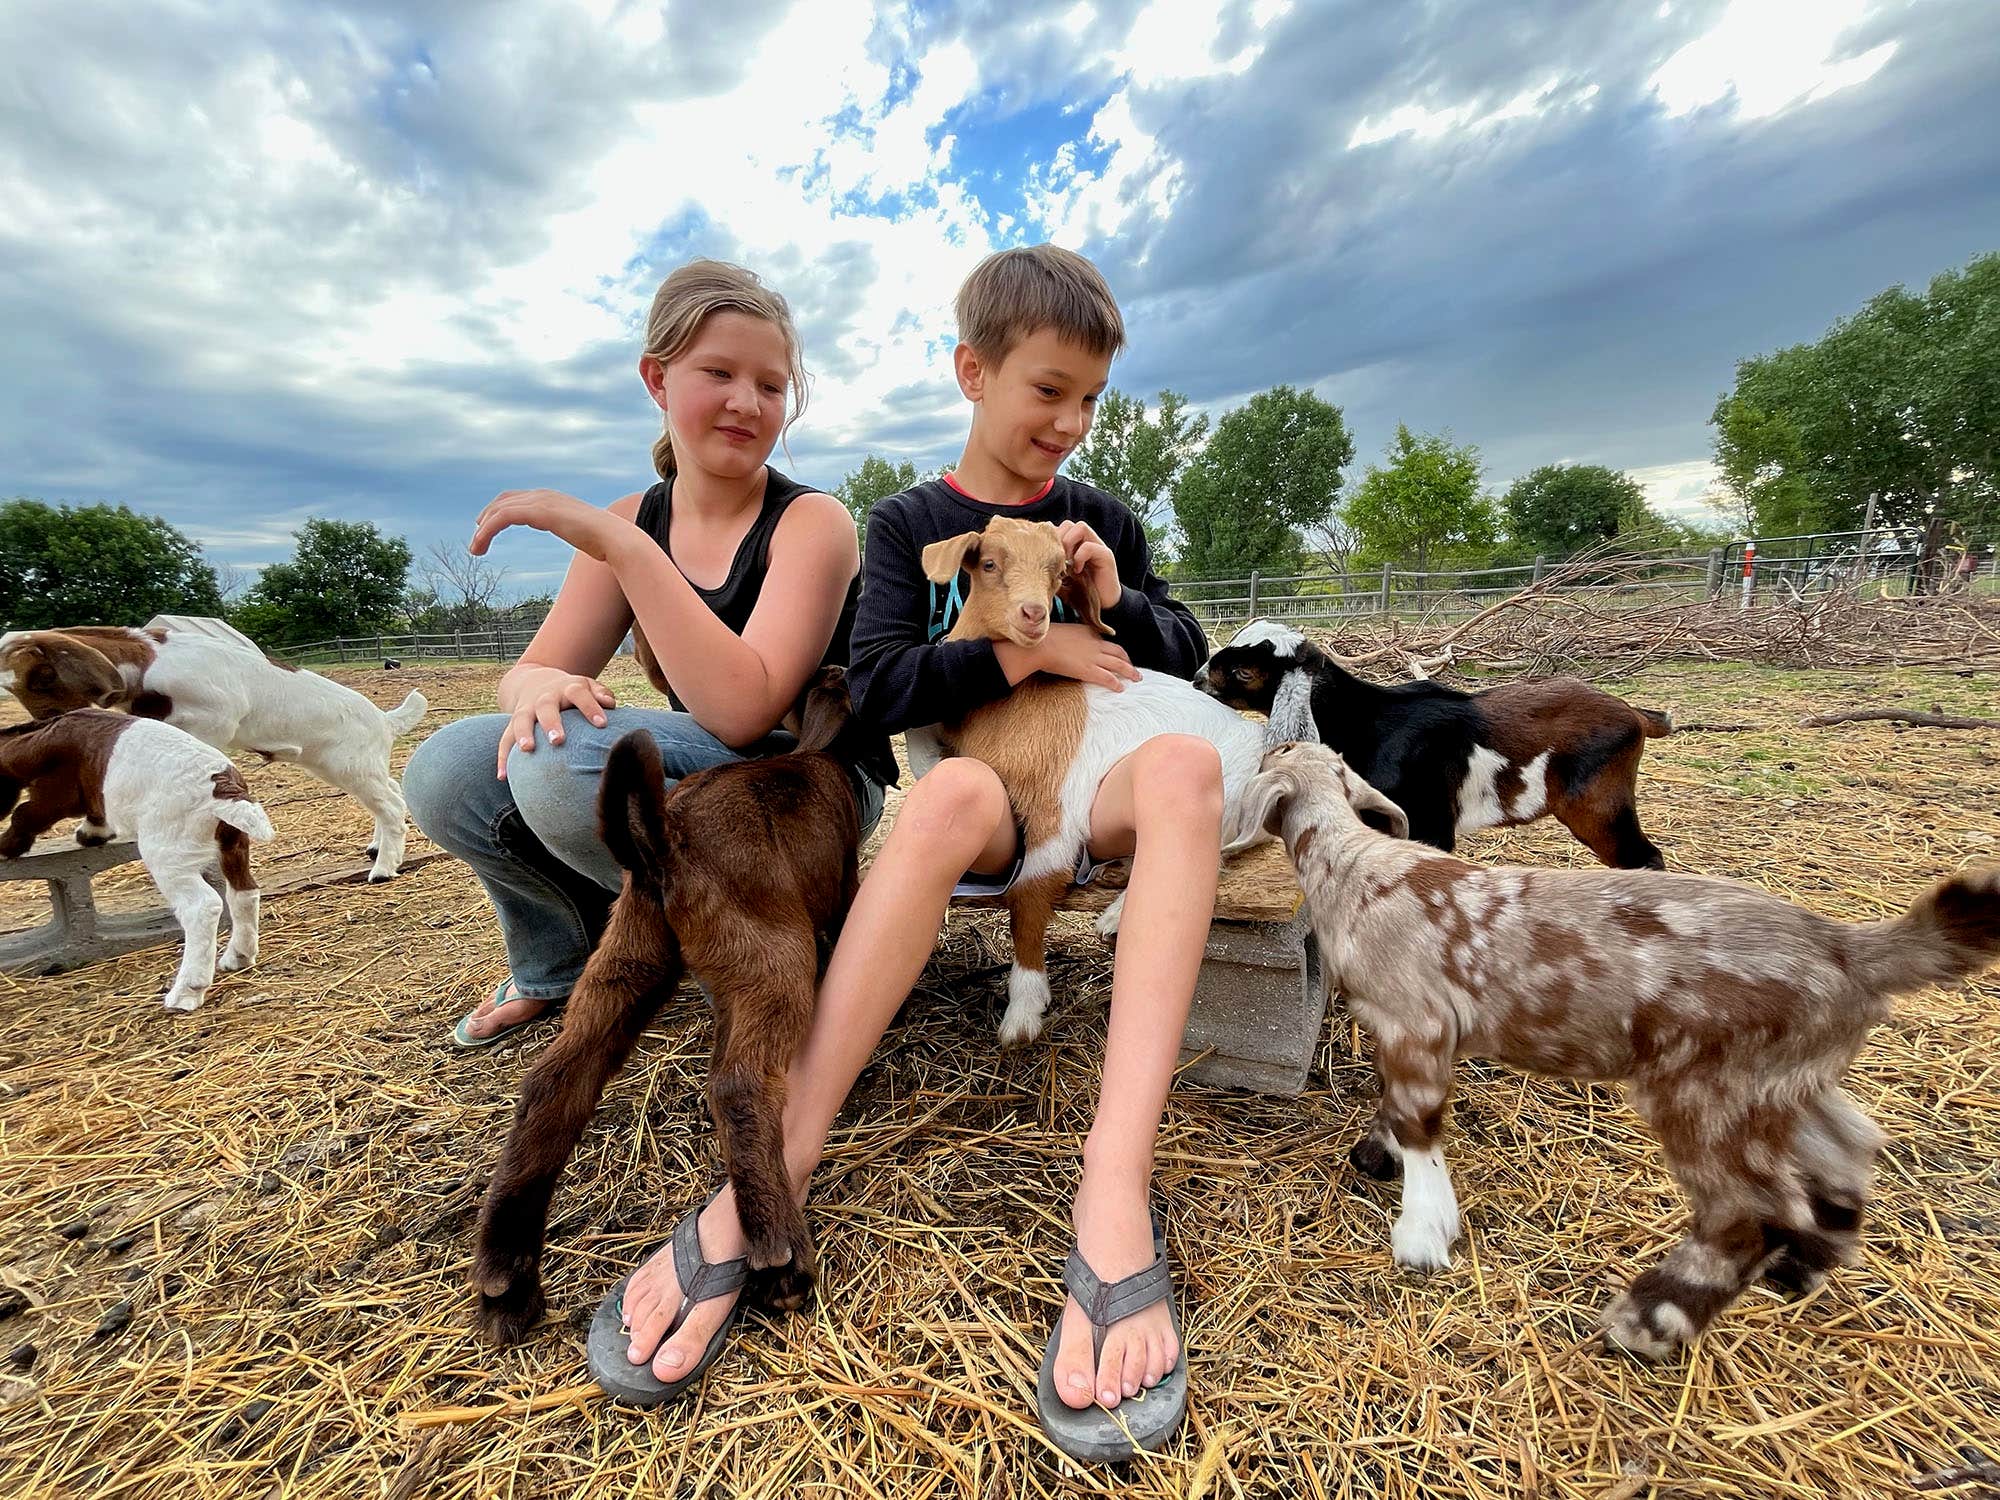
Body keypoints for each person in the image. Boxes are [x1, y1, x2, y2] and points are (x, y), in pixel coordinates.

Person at [599, 245, 1221, 1463]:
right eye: (1046, 390)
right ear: (972, 372)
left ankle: (1112, 1183)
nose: (1068, 423)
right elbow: (878, 683)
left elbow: (1182, 653)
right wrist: (1022, 655)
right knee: (938, 807)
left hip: (1099, 787)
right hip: (986, 789)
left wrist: (1117, 598)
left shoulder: (1103, 519)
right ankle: (779, 1158)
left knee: (1191, 769)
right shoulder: (911, 523)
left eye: (1089, 400)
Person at [403, 259, 891, 1047]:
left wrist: (621, 548)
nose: (746, 402)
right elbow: (530, 668)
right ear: (657, 380)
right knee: (448, 768)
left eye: (771, 385)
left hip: (810, 781)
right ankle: (557, 962)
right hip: (705, 779)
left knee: (558, 767)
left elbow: (742, 711)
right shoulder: (635, 519)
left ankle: (780, 940)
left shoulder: (812, 522)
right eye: (719, 373)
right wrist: (536, 687)